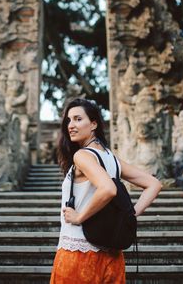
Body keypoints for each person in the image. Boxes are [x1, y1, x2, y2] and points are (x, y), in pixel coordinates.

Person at [50, 98, 162, 283]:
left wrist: (79, 217)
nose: (71, 125)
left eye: (78, 119)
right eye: (69, 120)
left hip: (78, 253)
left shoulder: (82, 156)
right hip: (113, 257)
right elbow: (154, 184)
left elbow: (108, 189)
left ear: (93, 124)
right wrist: (130, 214)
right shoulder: (111, 158)